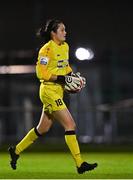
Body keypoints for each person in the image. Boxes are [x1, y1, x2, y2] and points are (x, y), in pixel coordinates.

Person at [8, 19, 98, 174]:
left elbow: (65, 66)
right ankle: (79, 164)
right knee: (70, 125)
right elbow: (41, 73)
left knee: (42, 129)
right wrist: (65, 79)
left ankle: (15, 151)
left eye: (65, 30)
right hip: (48, 91)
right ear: (53, 33)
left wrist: (73, 76)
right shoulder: (46, 50)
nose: (65, 32)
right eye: (62, 30)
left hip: (58, 91)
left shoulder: (65, 46)